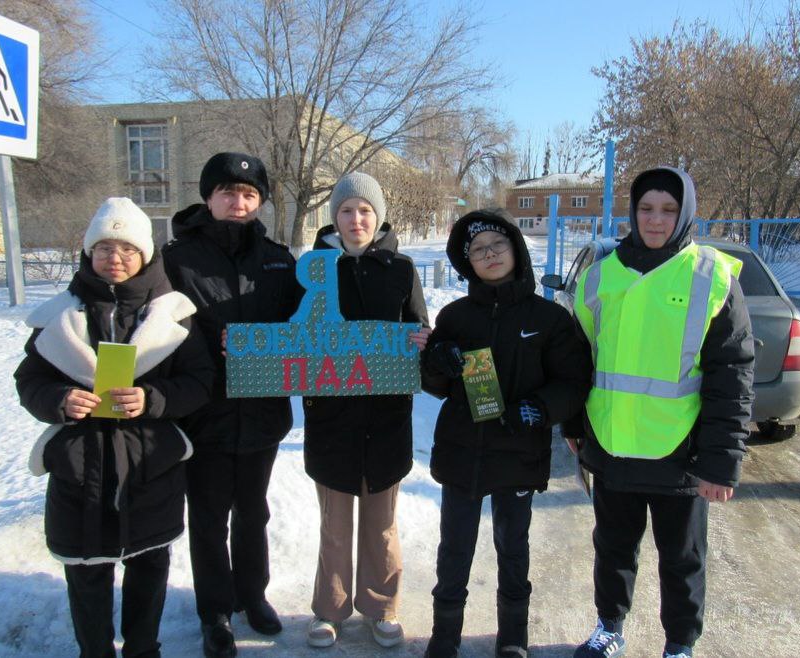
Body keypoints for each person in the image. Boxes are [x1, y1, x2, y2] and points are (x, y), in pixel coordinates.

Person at [567, 167, 755, 658]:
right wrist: (573, 424)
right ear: (632, 212)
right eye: (646, 208)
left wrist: (720, 462)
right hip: (612, 446)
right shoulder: (600, 275)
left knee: (683, 559)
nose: (655, 219)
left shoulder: (711, 276)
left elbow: (732, 376)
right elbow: (577, 360)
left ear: (686, 213)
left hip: (680, 451)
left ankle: (679, 644)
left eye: (668, 210)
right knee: (613, 550)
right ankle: (610, 627)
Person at [15, 197, 215, 658]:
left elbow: (200, 381)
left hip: (150, 464)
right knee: (86, 571)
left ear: (145, 254)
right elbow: (30, 381)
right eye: (104, 248)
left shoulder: (172, 316)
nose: (115, 258)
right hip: (80, 466)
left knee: (148, 567)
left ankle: (143, 649)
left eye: (127, 249)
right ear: (89, 253)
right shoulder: (60, 317)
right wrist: (60, 399)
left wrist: (152, 398)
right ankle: (95, 651)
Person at [420, 208, 592, 658]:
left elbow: (573, 382)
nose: (490, 254)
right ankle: (444, 636)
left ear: (516, 249)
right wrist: (437, 361)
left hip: (518, 452)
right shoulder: (455, 316)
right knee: (454, 548)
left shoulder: (549, 318)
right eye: (478, 250)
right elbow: (436, 384)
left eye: (497, 244)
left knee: (513, 546)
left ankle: (513, 636)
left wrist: (539, 409)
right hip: (462, 452)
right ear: (468, 262)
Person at [162, 153, 302, 658]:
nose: (238, 202)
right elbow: (164, 327)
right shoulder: (177, 260)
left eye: (248, 194)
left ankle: (253, 595)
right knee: (208, 516)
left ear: (259, 201)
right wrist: (212, 343)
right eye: (228, 192)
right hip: (204, 412)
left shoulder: (279, 260)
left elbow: (300, 324)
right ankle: (215, 612)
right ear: (208, 197)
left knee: (254, 511)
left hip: (263, 410)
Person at [302, 171, 430, 649]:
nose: (356, 219)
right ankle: (330, 609)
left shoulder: (401, 269)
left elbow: (418, 326)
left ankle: (380, 605)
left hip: (386, 421)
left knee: (381, 527)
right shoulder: (313, 270)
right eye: (346, 210)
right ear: (333, 216)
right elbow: (290, 334)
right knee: (334, 526)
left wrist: (422, 340)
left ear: (379, 217)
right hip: (330, 419)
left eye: (365, 210)